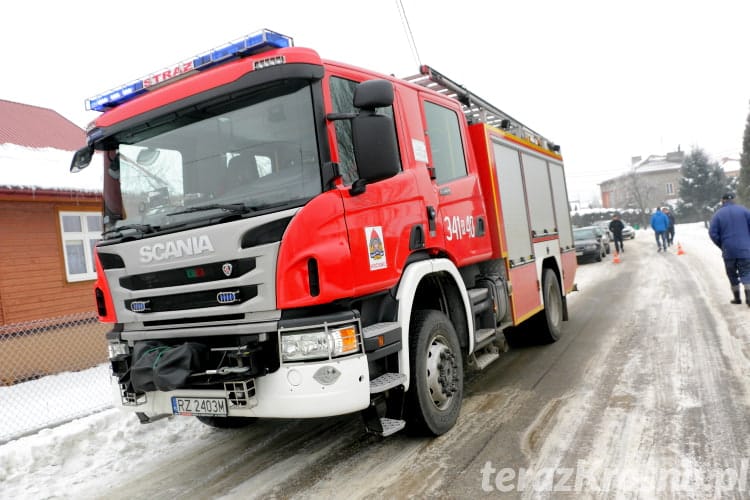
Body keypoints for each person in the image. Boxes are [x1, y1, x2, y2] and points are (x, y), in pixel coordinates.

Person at [708, 193, 750, 306]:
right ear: (734, 200)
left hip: (728, 250)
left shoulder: (718, 214)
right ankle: (749, 298)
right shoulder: (744, 211)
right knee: (746, 272)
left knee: (731, 273)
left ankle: (737, 298)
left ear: (723, 200)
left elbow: (712, 233)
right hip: (745, 249)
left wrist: (721, 244)